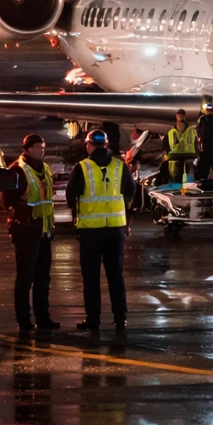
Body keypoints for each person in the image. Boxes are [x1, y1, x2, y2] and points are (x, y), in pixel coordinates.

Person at [66, 129, 135, 331]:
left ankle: (93, 319)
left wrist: (78, 213)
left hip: (90, 231)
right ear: (106, 145)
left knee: (91, 277)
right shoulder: (120, 166)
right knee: (116, 275)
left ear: (89, 145)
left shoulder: (82, 167)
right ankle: (120, 318)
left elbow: (71, 196)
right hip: (116, 229)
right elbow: (131, 192)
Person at [2, 134, 59, 332]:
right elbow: (7, 202)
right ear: (28, 148)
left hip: (44, 230)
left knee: (43, 277)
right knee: (25, 277)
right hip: (26, 230)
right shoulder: (17, 170)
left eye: (43, 147)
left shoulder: (45, 168)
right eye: (38, 147)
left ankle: (43, 318)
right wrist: (21, 215)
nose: (42, 150)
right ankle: (24, 320)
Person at [165, 109, 198, 183]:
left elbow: (165, 143)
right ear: (184, 117)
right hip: (189, 155)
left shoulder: (171, 131)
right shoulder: (191, 130)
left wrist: (167, 153)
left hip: (174, 156)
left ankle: (176, 188)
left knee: (175, 179)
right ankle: (188, 188)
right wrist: (197, 154)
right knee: (189, 178)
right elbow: (195, 142)